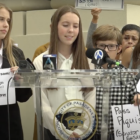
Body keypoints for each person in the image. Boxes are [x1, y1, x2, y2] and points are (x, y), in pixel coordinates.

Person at [33, 5, 96, 140]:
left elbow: (91, 95)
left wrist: (82, 130)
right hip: (51, 129)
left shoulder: (87, 61)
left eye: (75, 26)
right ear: (54, 27)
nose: (71, 30)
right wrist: (60, 131)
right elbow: (41, 102)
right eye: (66, 25)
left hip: (81, 129)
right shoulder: (41, 61)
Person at [91, 24, 140, 140]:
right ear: (94, 47)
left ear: (119, 48)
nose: (106, 50)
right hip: (91, 133)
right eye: (102, 46)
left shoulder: (126, 74)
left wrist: (136, 97)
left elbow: (133, 95)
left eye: (111, 46)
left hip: (117, 133)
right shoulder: (89, 72)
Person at [0, 3, 32, 140]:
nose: (6, 24)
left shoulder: (16, 53)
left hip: (9, 125)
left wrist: (21, 78)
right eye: (1, 19)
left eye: (8, 20)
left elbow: (24, 96)